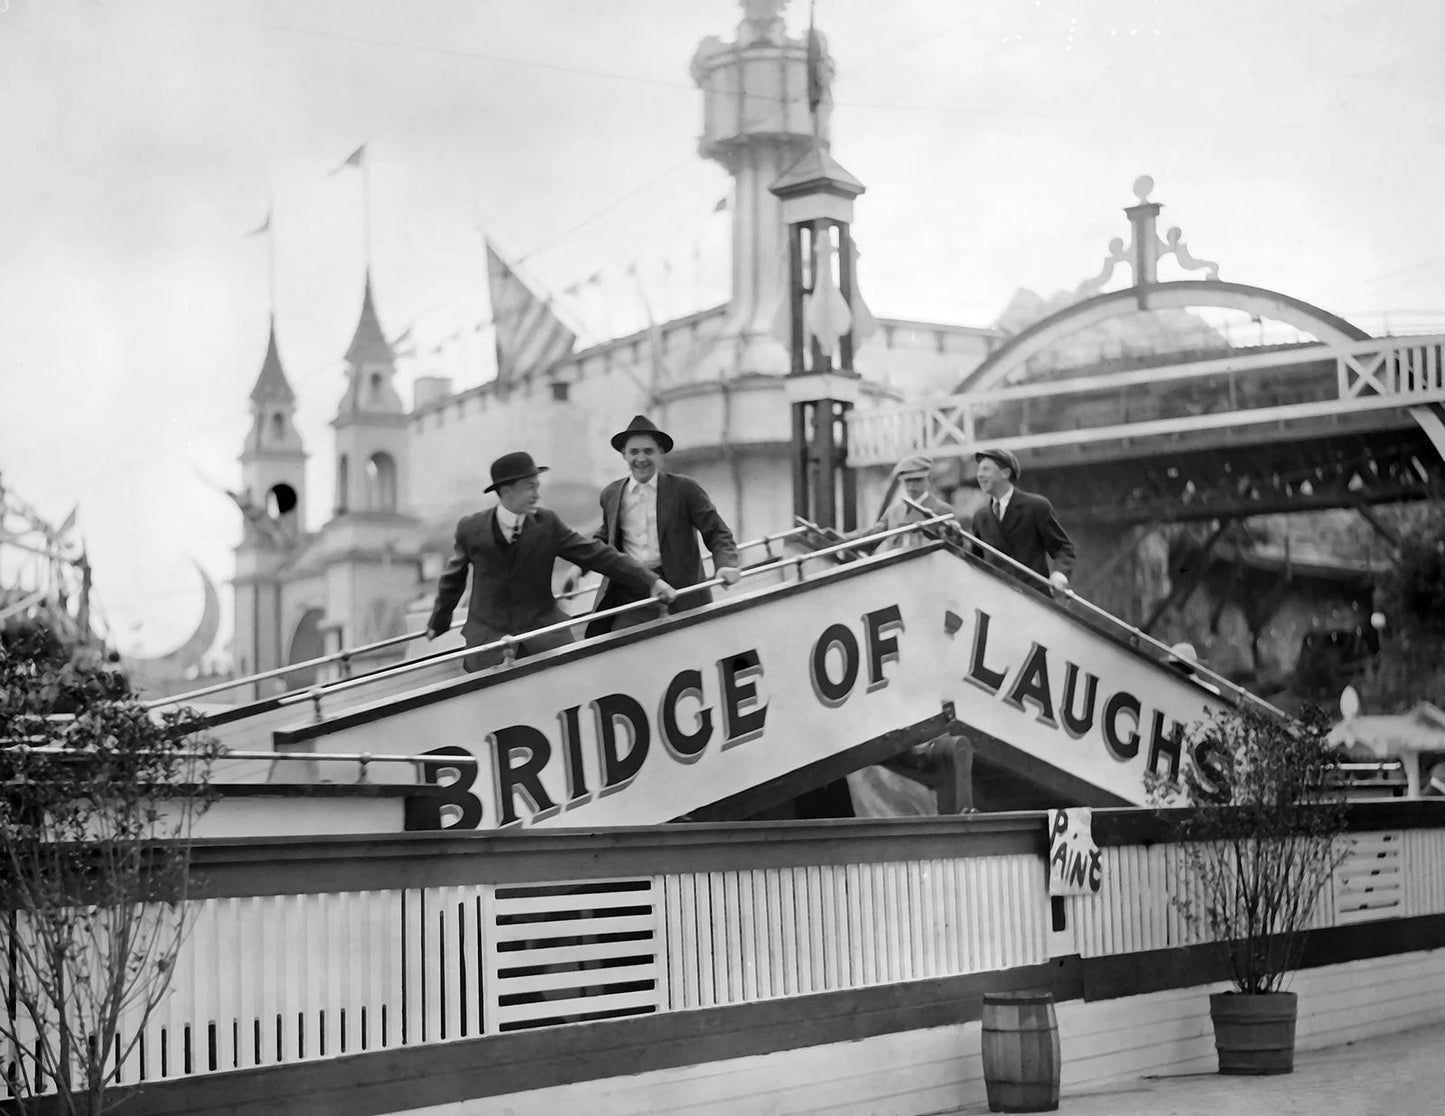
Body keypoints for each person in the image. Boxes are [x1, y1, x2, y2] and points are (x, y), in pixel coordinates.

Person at [427, 451, 676, 670]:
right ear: (506, 491)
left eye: (537, 486)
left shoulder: (547, 525)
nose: (537, 494)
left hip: (546, 638)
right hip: (489, 645)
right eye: (529, 487)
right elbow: (453, 579)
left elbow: (598, 555)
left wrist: (651, 581)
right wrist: (439, 621)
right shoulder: (471, 528)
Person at [586, 415, 741, 636]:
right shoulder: (611, 494)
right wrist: (579, 567)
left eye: (648, 451)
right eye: (634, 452)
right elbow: (605, 534)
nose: (641, 459)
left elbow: (717, 531)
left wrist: (725, 564)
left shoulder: (684, 489)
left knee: (690, 654)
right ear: (624, 455)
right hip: (631, 593)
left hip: (682, 593)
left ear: (660, 453)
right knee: (624, 653)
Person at [970, 447, 1076, 595]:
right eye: (979, 470)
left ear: (1005, 473)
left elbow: (1062, 548)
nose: (979, 475)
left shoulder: (1036, 506)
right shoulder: (980, 517)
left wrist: (1060, 574)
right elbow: (975, 561)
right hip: (996, 601)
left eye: (986, 469)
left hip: (1034, 599)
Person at [854, 454, 958, 551]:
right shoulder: (893, 512)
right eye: (908, 481)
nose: (912, 486)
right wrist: (844, 540)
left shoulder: (943, 511)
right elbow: (872, 538)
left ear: (928, 479)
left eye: (917, 480)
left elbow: (953, 549)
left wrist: (951, 533)